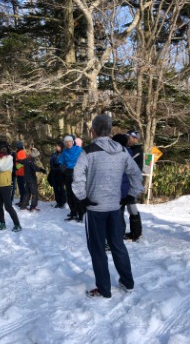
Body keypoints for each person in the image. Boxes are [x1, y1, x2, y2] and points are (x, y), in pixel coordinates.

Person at [73, 114, 143, 298]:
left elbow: (77, 176)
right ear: (110, 130)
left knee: (97, 249)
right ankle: (128, 282)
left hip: (95, 208)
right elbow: (136, 173)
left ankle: (104, 289)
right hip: (114, 207)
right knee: (118, 245)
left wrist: (81, 198)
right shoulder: (121, 150)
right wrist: (131, 194)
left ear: (93, 130)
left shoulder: (88, 151)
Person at [114, 133, 143, 241]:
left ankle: (134, 233)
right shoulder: (129, 151)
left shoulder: (131, 151)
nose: (131, 140)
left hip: (125, 186)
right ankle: (135, 233)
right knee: (129, 209)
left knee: (126, 209)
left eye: (134, 138)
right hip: (128, 185)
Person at [0, 141, 22, 232]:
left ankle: (17, 224)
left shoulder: (9, 158)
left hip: (6, 185)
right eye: (0, 149)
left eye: (3, 149)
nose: (2, 151)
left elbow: (2, 168)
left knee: (8, 206)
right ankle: (2, 223)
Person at [59, 135, 83, 221]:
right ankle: (73, 213)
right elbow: (60, 161)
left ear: (73, 142)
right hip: (68, 173)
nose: (68, 143)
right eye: (66, 142)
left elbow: (86, 159)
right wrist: (62, 166)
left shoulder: (79, 149)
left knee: (76, 194)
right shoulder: (64, 152)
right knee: (69, 194)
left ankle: (80, 214)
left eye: (70, 141)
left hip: (77, 173)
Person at [17, 147, 46, 212]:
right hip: (32, 180)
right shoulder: (31, 161)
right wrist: (42, 170)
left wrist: (16, 167)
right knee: (34, 193)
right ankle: (33, 207)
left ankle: (23, 206)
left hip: (26, 179)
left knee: (27, 193)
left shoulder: (26, 160)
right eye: (37, 156)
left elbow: (19, 164)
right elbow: (35, 168)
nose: (37, 157)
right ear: (34, 155)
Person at [48, 141, 66, 208]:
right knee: (55, 188)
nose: (57, 147)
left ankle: (63, 201)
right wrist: (53, 168)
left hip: (61, 174)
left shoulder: (64, 154)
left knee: (61, 188)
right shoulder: (54, 154)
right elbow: (51, 163)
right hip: (54, 173)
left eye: (58, 146)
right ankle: (58, 202)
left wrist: (59, 168)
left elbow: (64, 164)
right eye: (56, 146)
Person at [15, 141, 27, 206]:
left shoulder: (21, 152)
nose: (16, 148)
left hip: (21, 173)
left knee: (22, 188)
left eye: (16, 146)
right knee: (21, 188)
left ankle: (24, 202)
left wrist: (16, 168)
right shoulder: (20, 152)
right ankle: (22, 201)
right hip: (20, 173)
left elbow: (22, 162)